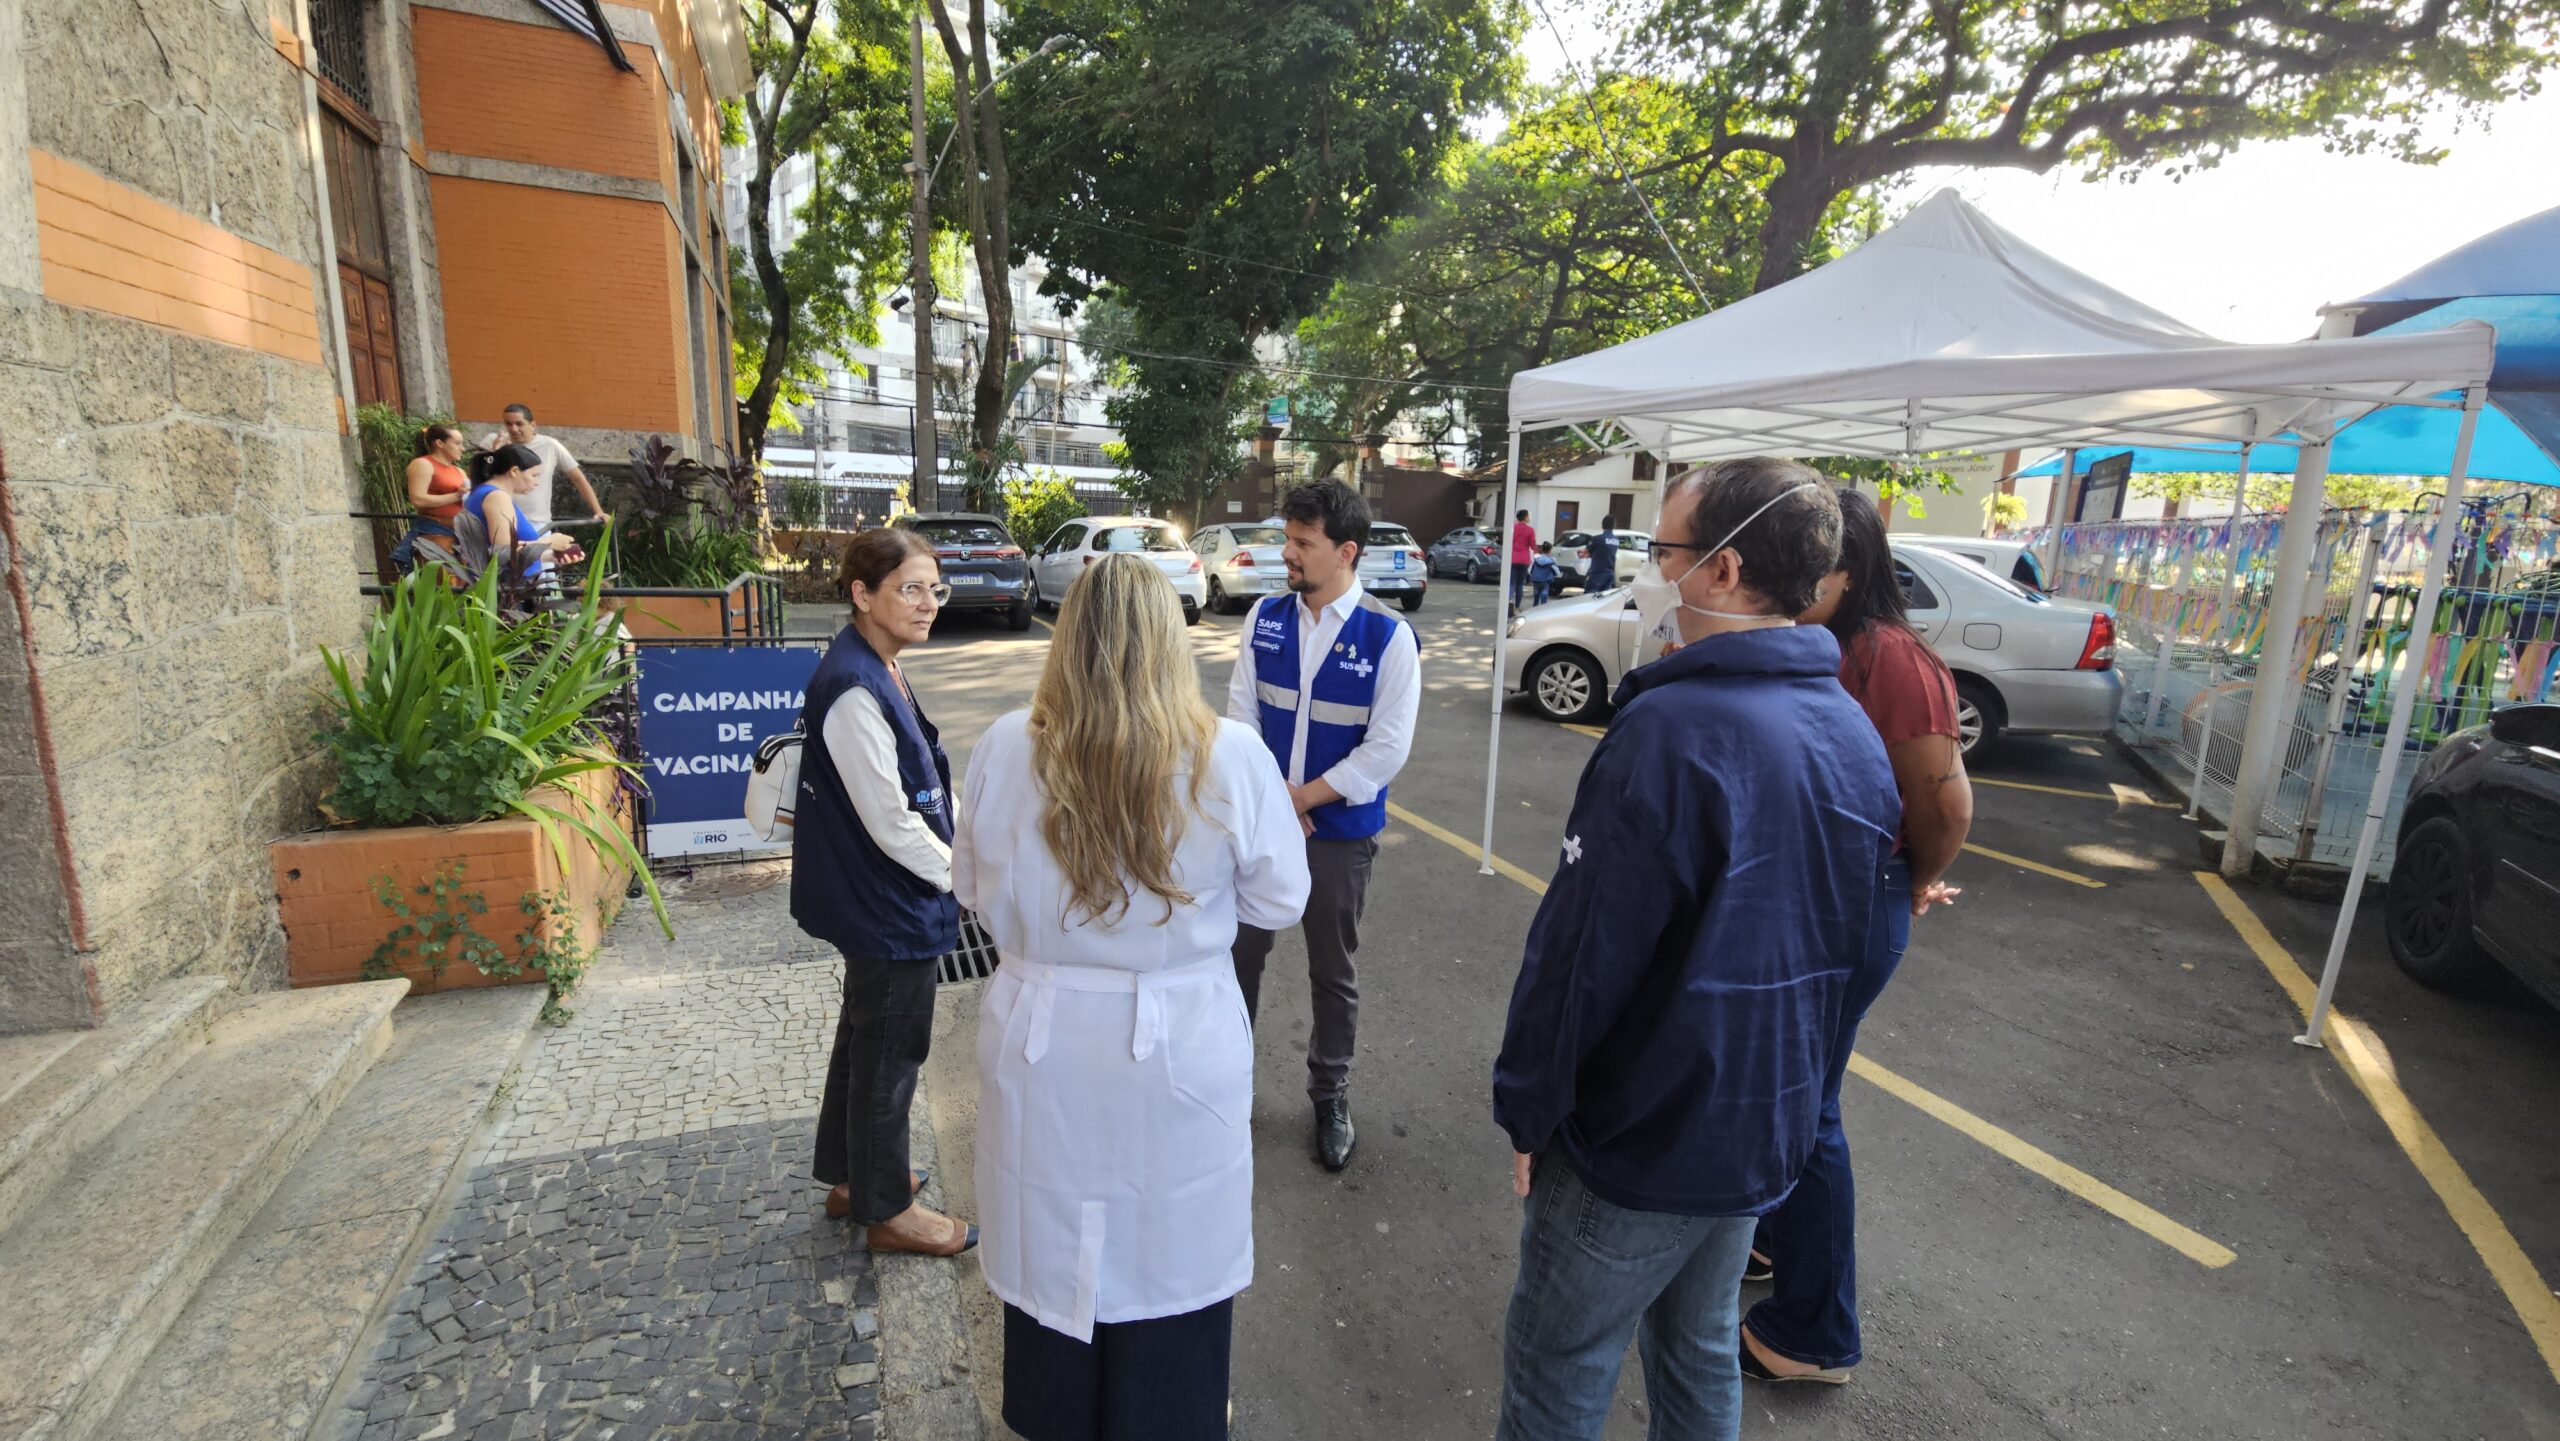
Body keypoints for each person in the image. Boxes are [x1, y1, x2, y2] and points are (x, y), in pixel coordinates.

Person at [1490, 459, 1900, 1441]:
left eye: (1662, 550)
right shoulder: (1844, 723)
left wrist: (1528, 1104)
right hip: (1761, 1127)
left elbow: (1581, 955)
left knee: (1558, 1371)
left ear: (1721, 570)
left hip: (1643, 1136)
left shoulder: (1668, 729)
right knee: (1699, 1349)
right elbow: (1854, 945)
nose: (1650, 571)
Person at [957, 553, 1310, 1441]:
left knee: (1050, 1243)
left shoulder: (1008, 745)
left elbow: (968, 885)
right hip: (1176, 1043)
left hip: (1044, 1041)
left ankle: (1060, 1416)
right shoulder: (1229, 755)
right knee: (1173, 1247)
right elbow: (1280, 899)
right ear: (1170, 644)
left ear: (1066, 638)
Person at [1738, 489, 1975, 1386]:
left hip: (1850, 904)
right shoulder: (1829, 646)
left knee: (1810, 1109)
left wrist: (1909, 877)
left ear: (1845, 567)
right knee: (1789, 1089)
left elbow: (1946, 805)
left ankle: (1815, 1333)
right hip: (1811, 898)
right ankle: (1769, 1241)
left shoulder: (1890, 659)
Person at [793, 527, 979, 1258]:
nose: (927, 602)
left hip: (888, 895)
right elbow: (891, 823)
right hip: (885, 901)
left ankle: (852, 1175)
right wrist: (966, 874)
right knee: (891, 1050)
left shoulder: (881, 663)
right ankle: (886, 1210)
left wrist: (970, 838)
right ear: (861, 594)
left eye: (935, 588)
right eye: (910, 588)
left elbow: (923, 782)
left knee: (865, 1035)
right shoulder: (852, 685)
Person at [1227, 478, 1420, 1172]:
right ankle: (1228, 1085)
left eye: (1302, 542)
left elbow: (1386, 748)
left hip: (1337, 837)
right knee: (1238, 956)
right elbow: (1241, 719)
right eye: (1288, 538)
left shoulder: (1390, 637)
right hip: (1260, 827)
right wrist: (1273, 803)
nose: (1288, 553)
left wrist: (1302, 800)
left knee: (1332, 970)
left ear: (1346, 551)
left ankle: (1329, 1094)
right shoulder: (1265, 620)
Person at [481, 403, 607, 534]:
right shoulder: (494, 442)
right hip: (500, 518)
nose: (513, 429)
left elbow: (578, 478)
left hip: (537, 523)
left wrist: (598, 511)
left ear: (533, 425)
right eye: (508, 424)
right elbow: (477, 477)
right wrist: (494, 454)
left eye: (519, 424)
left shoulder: (550, 445)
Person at [464, 443, 578, 580]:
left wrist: (550, 556)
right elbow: (502, 551)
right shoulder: (497, 497)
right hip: (508, 588)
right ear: (514, 471)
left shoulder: (485, 492)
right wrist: (549, 542)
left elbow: (509, 552)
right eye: (534, 475)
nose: (537, 482)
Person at [391, 424, 467, 574]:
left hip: (459, 531)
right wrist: (456, 496)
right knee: (440, 578)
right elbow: (418, 499)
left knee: (460, 580)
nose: (462, 448)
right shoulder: (423, 464)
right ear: (439, 443)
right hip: (435, 529)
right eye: (457, 443)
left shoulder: (458, 470)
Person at [1509, 508, 1536, 612]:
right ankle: (1517, 607)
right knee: (1520, 584)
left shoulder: (1512, 528)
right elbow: (1533, 545)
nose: (1530, 517)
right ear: (1525, 517)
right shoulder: (1530, 530)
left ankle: (1509, 602)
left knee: (1511, 583)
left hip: (1512, 558)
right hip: (1524, 559)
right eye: (1529, 515)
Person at [1586, 517, 1621, 593]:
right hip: (1610, 573)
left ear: (1602, 525)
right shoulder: (1616, 540)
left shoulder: (1598, 538)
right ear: (1614, 526)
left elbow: (1585, 553)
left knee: (1589, 598)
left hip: (1597, 574)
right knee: (1604, 598)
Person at [1528, 542, 1560, 607]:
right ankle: (1542, 609)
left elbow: (1529, 570)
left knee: (1536, 596)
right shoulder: (1551, 561)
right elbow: (1557, 572)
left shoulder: (1536, 559)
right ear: (1550, 550)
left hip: (1536, 580)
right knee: (1544, 595)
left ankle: (1534, 609)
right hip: (1545, 581)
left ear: (1542, 549)